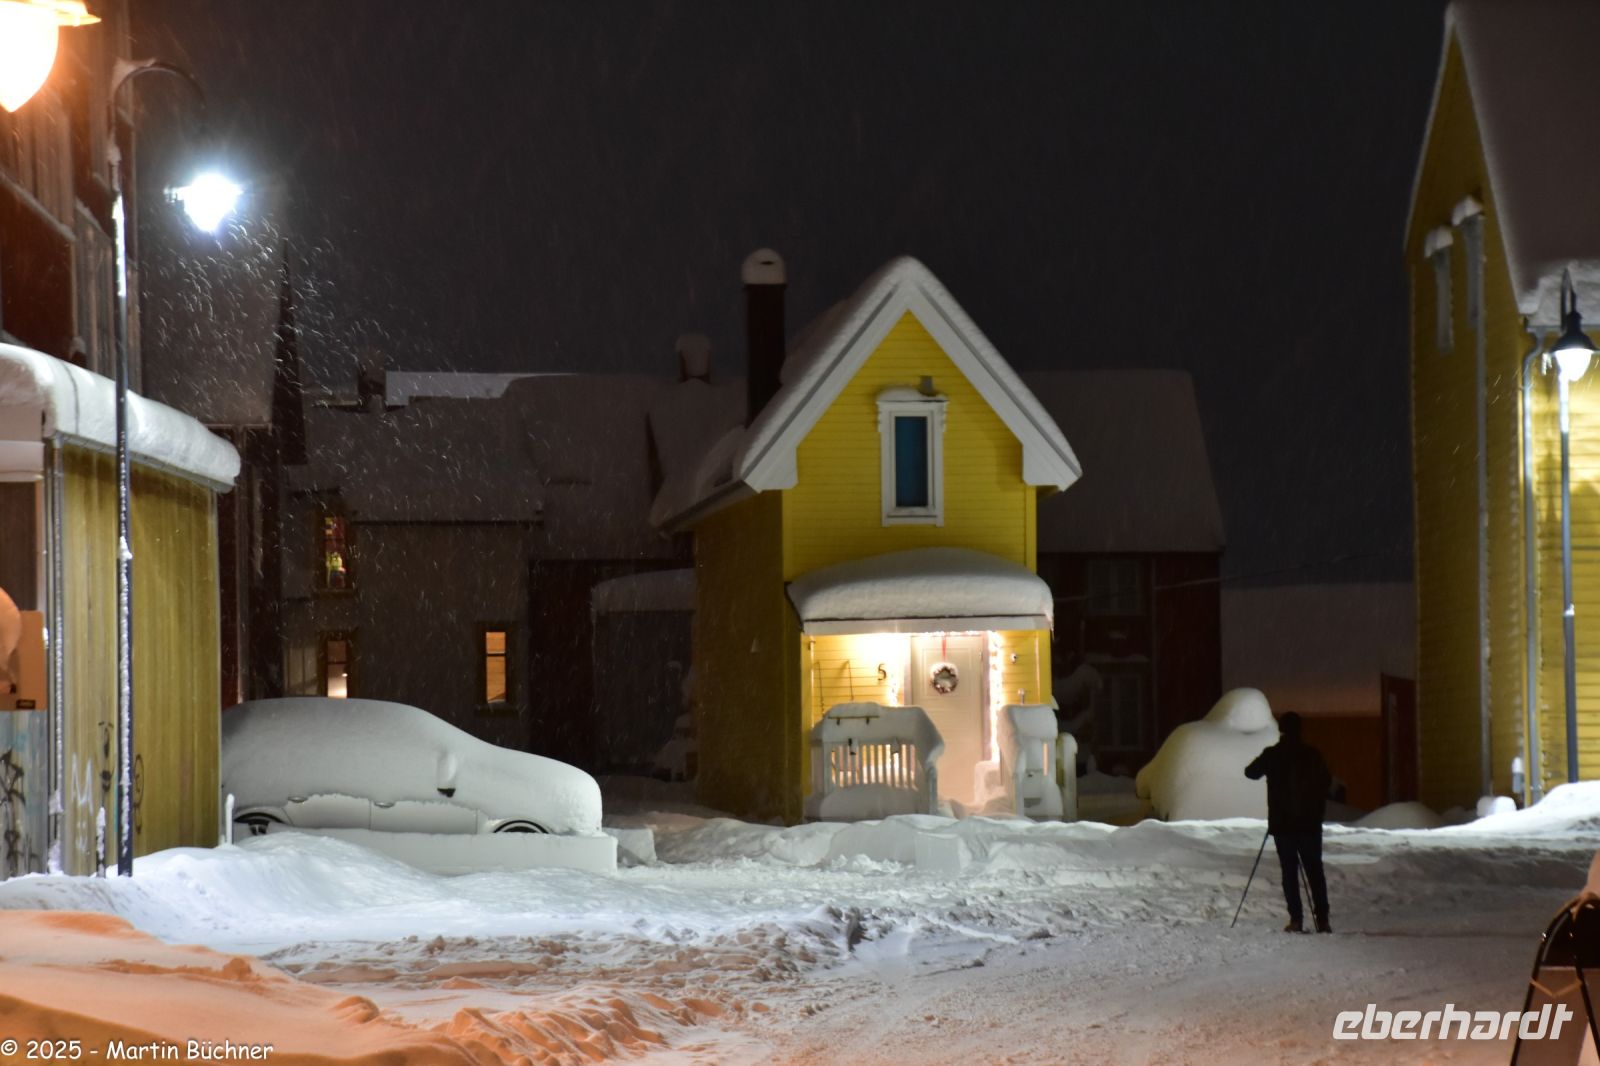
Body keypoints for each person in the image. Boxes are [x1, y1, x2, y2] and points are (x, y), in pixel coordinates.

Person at [1244, 711, 1333, 933]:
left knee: (1289, 872)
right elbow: (1326, 782)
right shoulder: (1312, 755)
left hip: (1283, 825)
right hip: (1309, 824)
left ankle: (1296, 919)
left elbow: (1250, 772)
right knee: (1315, 871)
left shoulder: (1273, 754)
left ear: (1281, 730)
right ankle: (1323, 920)